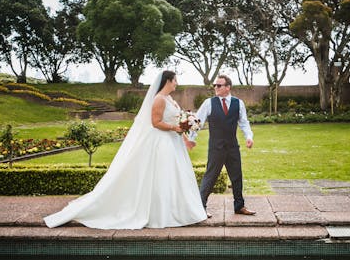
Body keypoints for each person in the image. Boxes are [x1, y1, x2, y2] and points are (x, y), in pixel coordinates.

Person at [44, 70, 207, 229]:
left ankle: (179, 210)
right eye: (175, 80)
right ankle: (160, 213)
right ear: (168, 81)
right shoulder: (159, 99)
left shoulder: (170, 98)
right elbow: (155, 122)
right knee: (162, 177)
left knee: (175, 176)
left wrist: (186, 137)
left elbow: (178, 121)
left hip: (173, 143)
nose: (176, 83)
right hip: (162, 143)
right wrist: (174, 128)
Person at [186, 74, 255, 217]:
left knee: (237, 176)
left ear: (228, 87)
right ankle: (200, 208)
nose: (216, 88)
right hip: (216, 148)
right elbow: (198, 122)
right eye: (215, 85)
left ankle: (239, 206)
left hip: (232, 147)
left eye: (219, 85)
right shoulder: (209, 103)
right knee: (210, 177)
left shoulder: (238, 103)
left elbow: (243, 122)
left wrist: (249, 137)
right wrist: (191, 138)